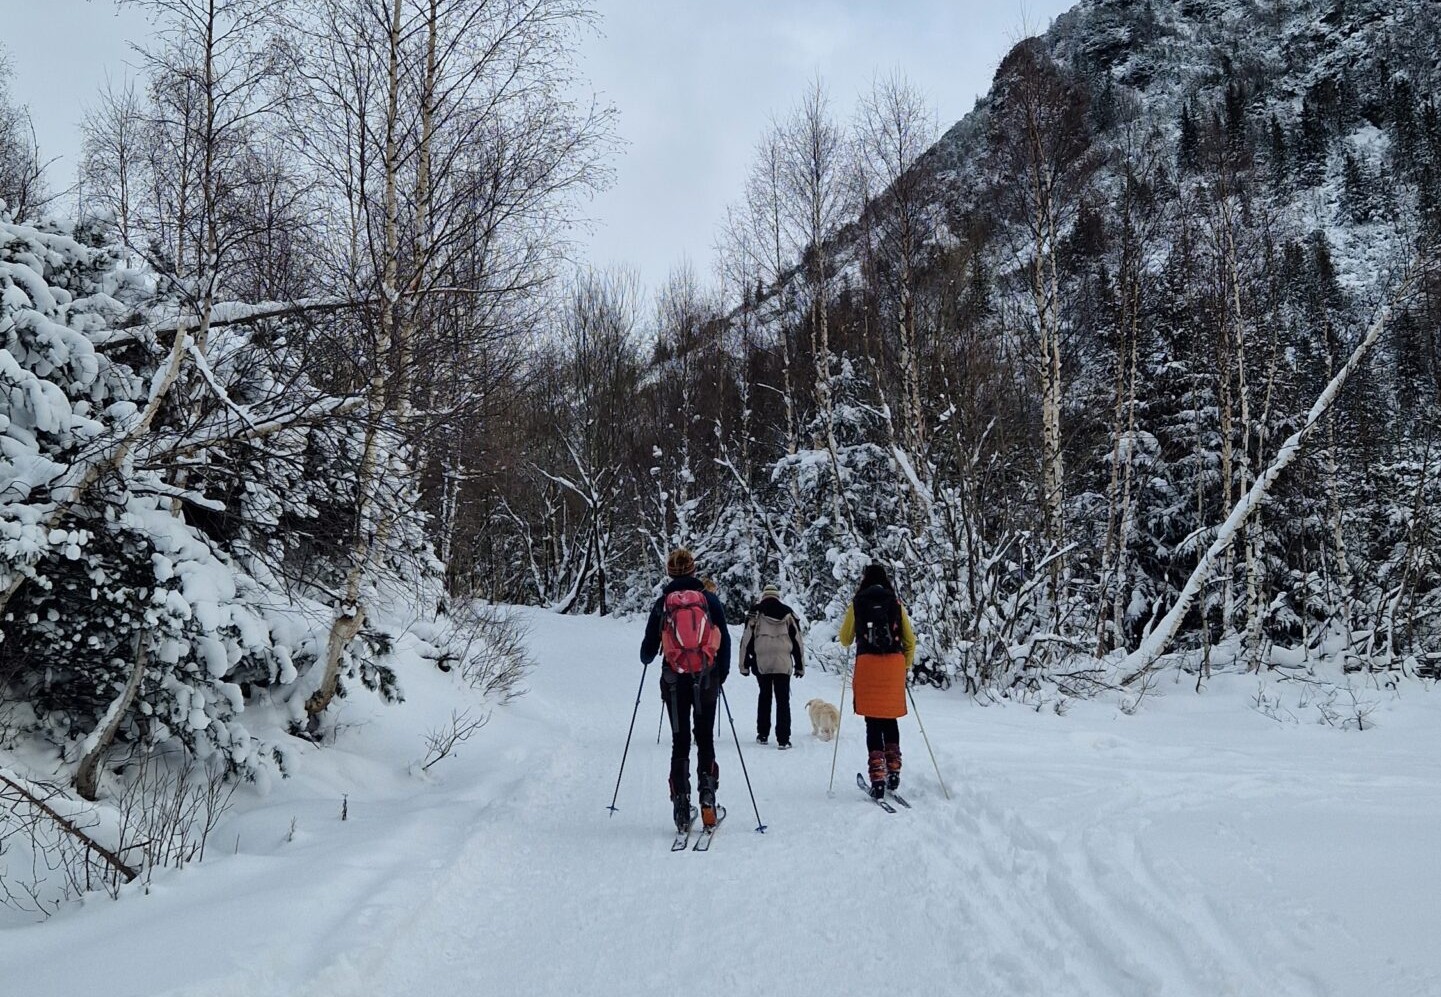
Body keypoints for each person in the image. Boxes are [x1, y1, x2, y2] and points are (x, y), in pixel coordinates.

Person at [640, 548, 731, 831]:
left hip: (673, 681)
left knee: (680, 741)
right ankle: (708, 798)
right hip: (706, 678)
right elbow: (724, 639)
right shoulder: (709, 600)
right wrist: (720, 675)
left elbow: (647, 652)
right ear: (693, 571)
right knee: (704, 738)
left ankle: (681, 805)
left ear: (669, 573)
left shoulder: (662, 604)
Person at [838, 563, 916, 799]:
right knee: (890, 719)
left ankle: (878, 776)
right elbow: (910, 640)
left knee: (872, 722)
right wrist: (904, 666)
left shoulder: (858, 603)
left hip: (868, 666)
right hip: (893, 666)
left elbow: (844, 639)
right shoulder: (895, 603)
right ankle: (893, 769)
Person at [739, 583, 805, 748]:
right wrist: (799, 666)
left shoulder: (755, 612)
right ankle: (783, 739)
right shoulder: (788, 613)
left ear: (764, 596)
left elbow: (746, 640)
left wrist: (744, 665)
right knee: (783, 700)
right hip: (783, 661)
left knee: (765, 696)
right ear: (777, 596)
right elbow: (797, 641)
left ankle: (762, 734)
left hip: (762, 661)